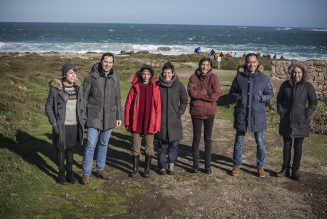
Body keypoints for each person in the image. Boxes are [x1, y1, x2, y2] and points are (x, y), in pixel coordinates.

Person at [230, 53, 274, 178]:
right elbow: (232, 91)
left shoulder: (264, 79)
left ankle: (260, 167)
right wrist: (239, 97)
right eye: (249, 62)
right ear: (245, 63)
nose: (252, 64)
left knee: (260, 142)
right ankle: (236, 165)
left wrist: (262, 97)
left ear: (258, 63)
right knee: (238, 141)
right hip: (242, 114)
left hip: (258, 116)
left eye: (254, 62)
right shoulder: (239, 77)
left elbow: (270, 94)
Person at [82, 52, 122, 184]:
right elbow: (83, 98)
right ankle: (86, 172)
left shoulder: (115, 78)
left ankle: (100, 169)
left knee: (104, 144)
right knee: (91, 144)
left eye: (110, 62)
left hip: (109, 116)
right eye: (106, 61)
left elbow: (118, 98)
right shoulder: (91, 77)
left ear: (113, 64)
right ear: (101, 61)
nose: (108, 64)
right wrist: (83, 116)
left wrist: (119, 116)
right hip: (93, 115)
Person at [276, 62, 317, 180]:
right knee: (286, 146)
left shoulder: (308, 86)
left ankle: (295, 171)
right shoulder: (285, 85)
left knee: (298, 147)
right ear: (291, 73)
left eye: (299, 72)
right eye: (294, 72)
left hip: (301, 121)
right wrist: (281, 111)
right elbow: (279, 100)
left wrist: (307, 113)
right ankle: (285, 169)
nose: (296, 74)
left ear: (303, 73)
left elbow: (313, 102)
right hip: (286, 120)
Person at [45, 63, 84, 184]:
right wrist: (54, 123)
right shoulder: (56, 88)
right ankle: (61, 175)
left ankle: (70, 174)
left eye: (75, 73)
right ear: (64, 74)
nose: (74, 75)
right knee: (61, 149)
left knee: (71, 149)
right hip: (61, 125)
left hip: (74, 125)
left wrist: (83, 120)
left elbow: (81, 106)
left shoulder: (78, 88)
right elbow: (48, 107)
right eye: (71, 73)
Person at [124, 64, 161, 178]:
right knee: (135, 146)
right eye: (144, 73)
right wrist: (127, 122)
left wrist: (157, 126)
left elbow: (158, 108)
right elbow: (128, 106)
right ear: (141, 74)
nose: (145, 76)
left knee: (149, 147)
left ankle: (147, 170)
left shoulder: (155, 89)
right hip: (136, 122)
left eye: (148, 74)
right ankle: (135, 170)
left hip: (150, 123)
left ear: (151, 76)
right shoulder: (135, 88)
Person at [187, 57, 222, 174]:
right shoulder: (193, 77)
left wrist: (199, 93)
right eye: (203, 64)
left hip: (209, 112)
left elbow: (216, 95)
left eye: (207, 65)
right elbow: (191, 92)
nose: (204, 67)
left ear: (210, 66)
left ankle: (208, 166)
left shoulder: (214, 78)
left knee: (208, 139)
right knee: (196, 138)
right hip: (196, 111)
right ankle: (195, 165)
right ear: (199, 65)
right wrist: (206, 92)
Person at [156, 62, 188, 175]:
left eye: (169, 72)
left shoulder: (178, 85)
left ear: (173, 73)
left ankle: (171, 163)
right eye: (165, 72)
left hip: (174, 121)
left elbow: (184, 100)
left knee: (174, 145)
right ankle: (162, 166)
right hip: (160, 121)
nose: (166, 75)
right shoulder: (157, 85)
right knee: (161, 145)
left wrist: (179, 112)